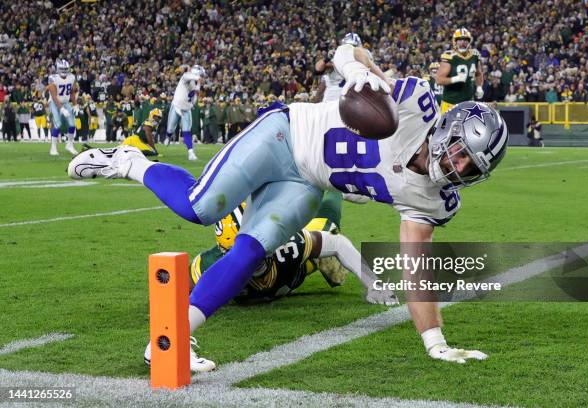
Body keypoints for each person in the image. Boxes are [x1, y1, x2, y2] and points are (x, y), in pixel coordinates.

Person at [68, 43, 507, 370]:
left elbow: (416, 268)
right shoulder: (415, 103)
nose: (458, 165)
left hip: (307, 184)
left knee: (247, 254)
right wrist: (358, 70)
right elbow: (346, 49)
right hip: (284, 135)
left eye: (471, 166)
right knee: (198, 207)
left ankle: (169, 341)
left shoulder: (432, 198)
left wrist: (436, 342)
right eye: (461, 150)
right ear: (448, 128)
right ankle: (130, 160)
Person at [190, 192, 398, 305]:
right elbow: (174, 287)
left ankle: (335, 188)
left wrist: (374, 284)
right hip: (286, 273)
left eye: (256, 249)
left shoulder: (289, 246)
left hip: (298, 265)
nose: (253, 261)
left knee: (328, 229)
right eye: (242, 254)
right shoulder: (208, 267)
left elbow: (337, 244)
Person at [435, 28, 484, 113]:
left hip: (469, 103)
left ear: (469, 42)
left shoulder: (475, 55)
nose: (462, 43)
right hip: (450, 104)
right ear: (455, 41)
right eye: (459, 40)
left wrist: (479, 87)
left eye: (465, 40)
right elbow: (439, 79)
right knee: (446, 126)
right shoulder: (449, 56)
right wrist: (455, 79)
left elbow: (478, 74)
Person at [164, 65, 206, 160]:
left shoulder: (195, 85)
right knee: (171, 127)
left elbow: (193, 101)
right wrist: (198, 83)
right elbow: (193, 77)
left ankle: (191, 153)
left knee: (186, 131)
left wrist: (196, 92)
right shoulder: (186, 76)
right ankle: (168, 136)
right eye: (201, 75)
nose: (202, 78)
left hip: (186, 110)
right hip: (176, 106)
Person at [46, 59, 79, 155]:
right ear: (58, 69)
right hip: (54, 103)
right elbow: (54, 96)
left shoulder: (71, 77)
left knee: (72, 124)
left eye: (65, 69)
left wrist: (75, 104)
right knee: (58, 124)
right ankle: (53, 148)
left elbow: (72, 92)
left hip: (66, 102)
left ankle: (69, 145)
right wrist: (61, 109)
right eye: (62, 69)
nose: (64, 71)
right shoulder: (53, 78)